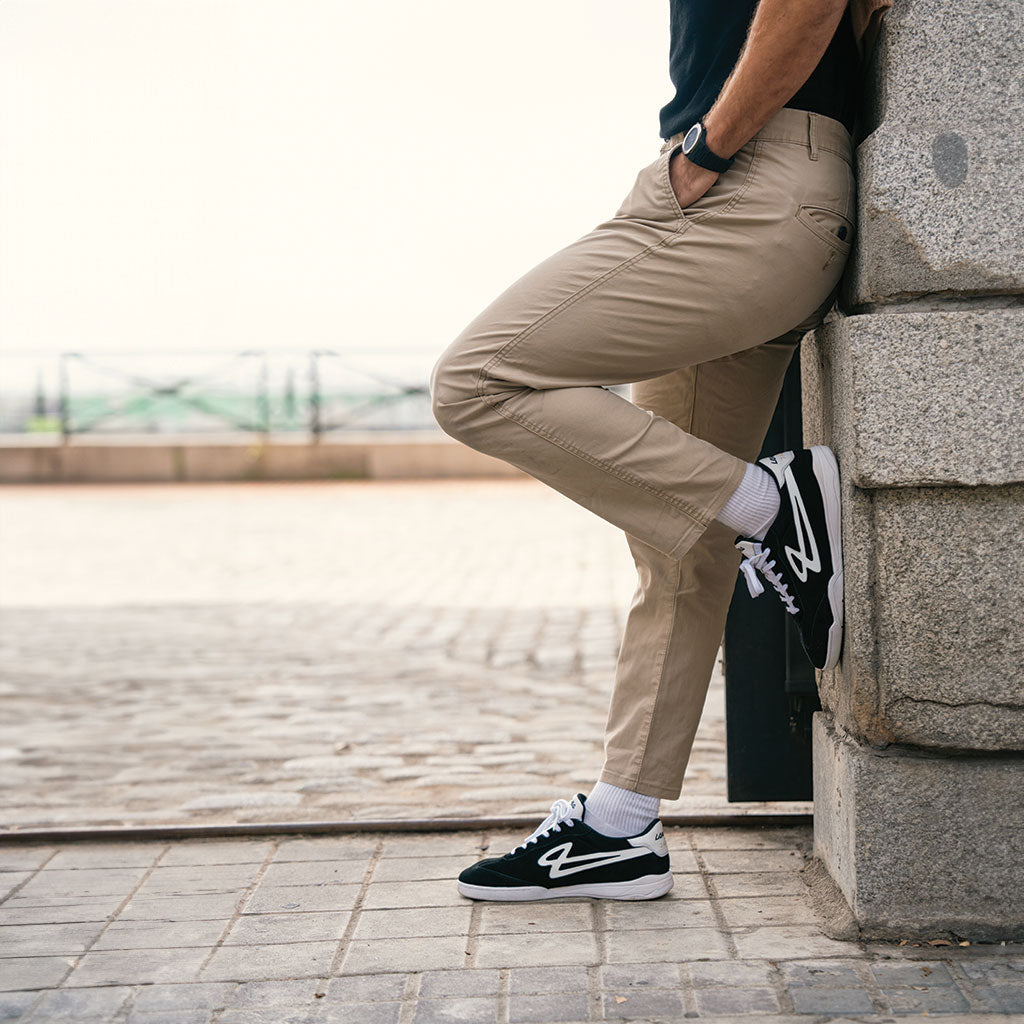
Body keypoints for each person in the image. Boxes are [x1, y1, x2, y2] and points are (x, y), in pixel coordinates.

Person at [429, 0, 890, 902]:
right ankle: (619, 827)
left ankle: (775, 508)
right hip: (781, 192)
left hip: (743, 187)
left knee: (474, 381)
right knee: (680, 541)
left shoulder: (722, 158)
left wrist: (704, 154)